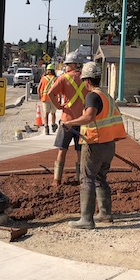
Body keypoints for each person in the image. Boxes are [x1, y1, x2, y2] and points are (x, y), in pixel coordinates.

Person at [61, 61, 127, 229]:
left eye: (83, 81)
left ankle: (86, 219)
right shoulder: (107, 96)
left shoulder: (92, 96)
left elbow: (89, 116)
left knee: (87, 178)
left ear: (87, 80)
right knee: (100, 178)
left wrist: (71, 123)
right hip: (109, 145)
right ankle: (105, 214)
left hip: (95, 144)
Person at [47, 51, 87, 187]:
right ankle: (81, 178)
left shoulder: (63, 78)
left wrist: (58, 106)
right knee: (81, 152)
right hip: (82, 121)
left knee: (62, 149)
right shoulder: (86, 79)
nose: (66, 67)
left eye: (68, 64)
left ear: (74, 64)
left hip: (66, 121)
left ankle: (56, 180)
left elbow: (50, 93)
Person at [37, 63, 58, 135]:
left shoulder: (43, 78)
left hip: (45, 98)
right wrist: (60, 98)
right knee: (53, 113)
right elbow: (60, 89)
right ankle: (53, 125)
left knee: (46, 113)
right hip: (54, 98)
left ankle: (46, 127)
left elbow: (38, 88)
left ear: (47, 70)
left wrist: (40, 96)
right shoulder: (56, 79)